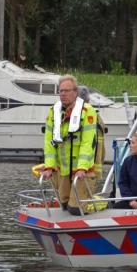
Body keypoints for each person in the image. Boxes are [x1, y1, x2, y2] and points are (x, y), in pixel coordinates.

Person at [41, 74, 99, 215]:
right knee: (64, 205)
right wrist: (49, 166)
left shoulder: (87, 111)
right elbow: (49, 143)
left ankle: (100, 204)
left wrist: (82, 168)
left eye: (66, 91)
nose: (63, 94)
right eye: (60, 91)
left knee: (76, 209)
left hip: (81, 171)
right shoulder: (53, 112)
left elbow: (87, 142)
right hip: (63, 170)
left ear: (75, 92)